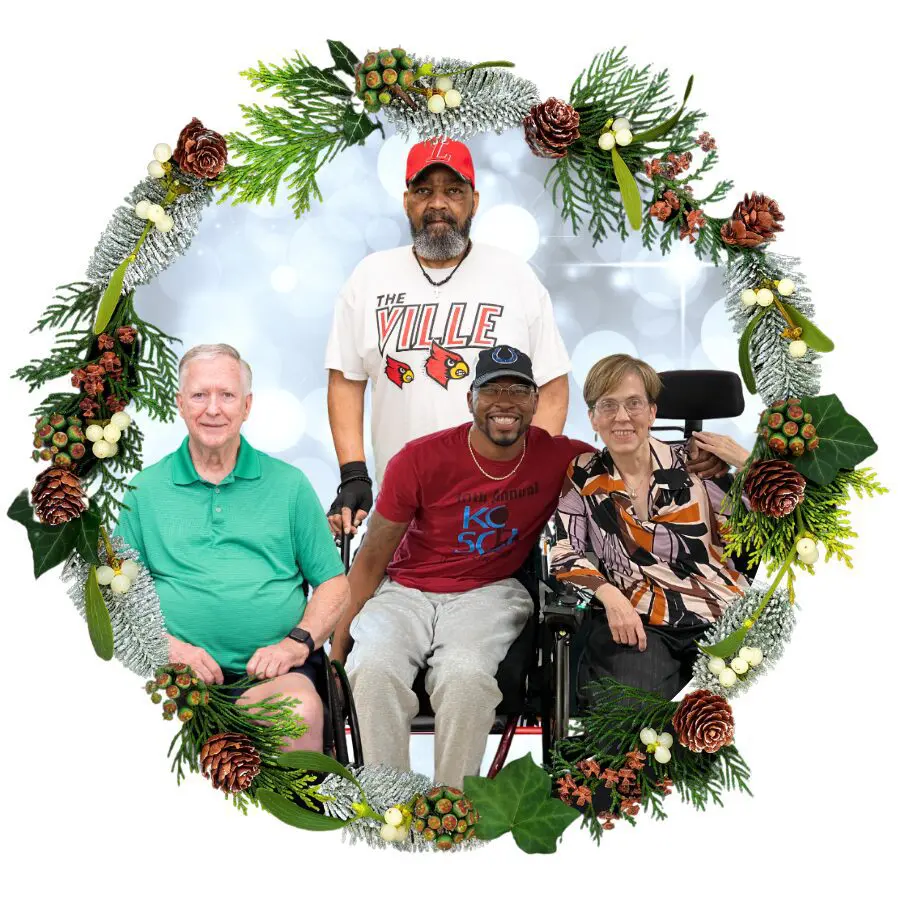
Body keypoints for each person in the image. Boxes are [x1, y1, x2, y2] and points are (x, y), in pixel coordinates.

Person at [329, 345, 593, 788]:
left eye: (518, 390)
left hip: (490, 589)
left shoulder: (562, 457)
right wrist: (337, 653)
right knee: (372, 669)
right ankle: (389, 806)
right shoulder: (419, 460)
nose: (504, 401)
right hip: (405, 588)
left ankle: (451, 811)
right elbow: (372, 557)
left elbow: (631, 466)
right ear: (470, 399)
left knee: (466, 677)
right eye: (491, 389)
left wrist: (702, 461)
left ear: (534, 402)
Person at [324, 138, 572, 537]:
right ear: (407, 201)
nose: (437, 203)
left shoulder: (514, 276)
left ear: (474, 201)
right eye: (424, 191)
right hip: (399, 507)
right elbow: (346, 380)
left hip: (496, 508)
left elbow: (553, 385)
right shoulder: (370, 277)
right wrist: (354, 474)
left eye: (453, 191)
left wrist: (527, 478)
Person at [114, 344, 350, 751]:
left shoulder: (289, 486)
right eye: (199, 395)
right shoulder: (144, 491)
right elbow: (116, 593)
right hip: (175, 678)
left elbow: (333, 583)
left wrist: (295, 644)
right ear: (180, 404)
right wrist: (168, 647)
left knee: (297, 710)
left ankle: (289, 814)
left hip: (276, 677)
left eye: (226, 395)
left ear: (247, 405)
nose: (213, 409)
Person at [549, 353, 751, 703]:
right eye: (608, 405)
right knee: (631, 718)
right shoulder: (583, 473)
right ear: (593, 418)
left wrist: (747, 465)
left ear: (652, 412)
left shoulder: (698, 463)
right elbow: (564, 550)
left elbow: (776, 524)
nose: (622, 417)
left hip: (721, 614)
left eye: (634, 404)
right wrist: (609, 596)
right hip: (642, 620)